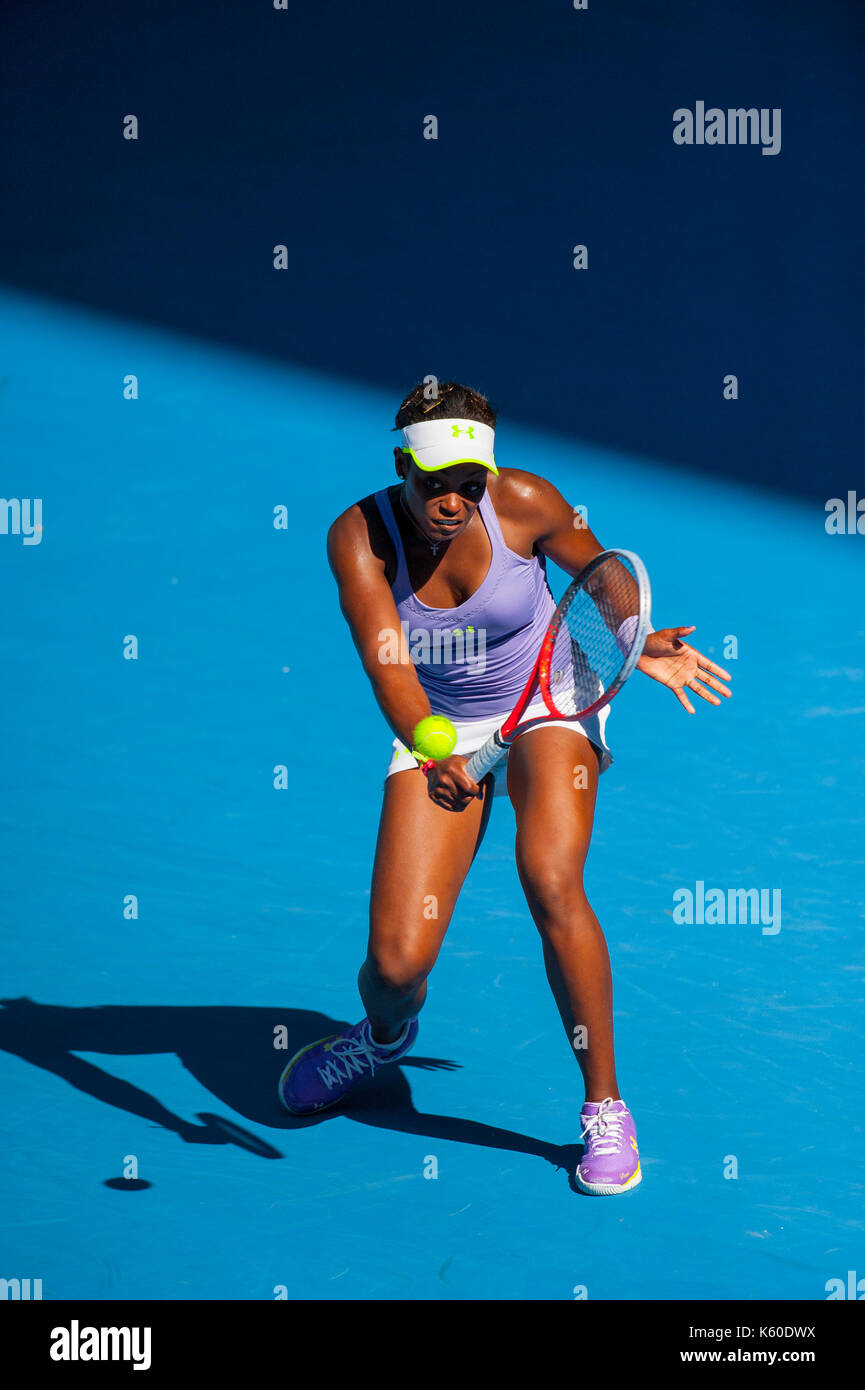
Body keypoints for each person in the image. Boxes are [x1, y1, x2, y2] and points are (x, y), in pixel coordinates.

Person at [278, 381, 731, 1194]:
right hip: (438, 724)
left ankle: (604, 1108)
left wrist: (634, 644)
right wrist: (431, 744)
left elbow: (602, 583)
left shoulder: (524, 500)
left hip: (551, 704)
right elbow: (385, 657)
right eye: (432, 482)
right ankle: (382, 1039)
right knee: (392, 963)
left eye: (468, 482)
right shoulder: (358, 537)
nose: (452, 500)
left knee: (550, 879)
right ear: (399, 466)